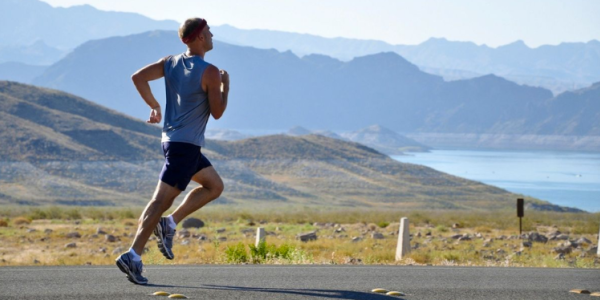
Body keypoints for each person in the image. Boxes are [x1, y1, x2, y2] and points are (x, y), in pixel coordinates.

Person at [115, 17, 230, 285]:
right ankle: (133, 255)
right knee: (159, 201)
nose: (212, 36)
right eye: (209, 32)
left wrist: (154, 105)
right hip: (185, 146)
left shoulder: (170, 62)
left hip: (174, 142)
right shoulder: (210, 72)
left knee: (214, 186)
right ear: (200, 36)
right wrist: (226, 86)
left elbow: (138, 77)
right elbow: (218, 112)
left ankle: (169, 223)